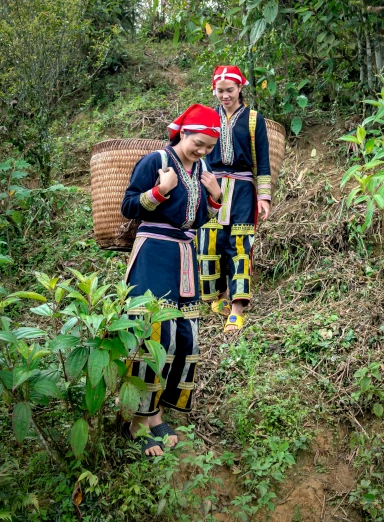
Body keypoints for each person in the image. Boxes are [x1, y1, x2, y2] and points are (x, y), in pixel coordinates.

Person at [120, 104, 222, 457]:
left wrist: (215, 198)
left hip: (184, 258)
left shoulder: (202, 169)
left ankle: (156, 412)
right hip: (153, 255)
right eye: (198, 143)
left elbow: (196, 221)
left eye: (209, 147)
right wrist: (160, 190)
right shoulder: (155, 161)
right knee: (151, 334)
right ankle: (136, 420)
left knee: (180, 336)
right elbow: (128, 206)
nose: (203, 151)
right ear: (183, 133)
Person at [196, 65, 271, 333]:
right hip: (211, 184)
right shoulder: (207, 118)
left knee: (240, 245)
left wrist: (264, 197)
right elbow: (196, 152)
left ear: (240, 89)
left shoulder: (253, 119)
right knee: (210, 242)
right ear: (213, 90)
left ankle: (238, 309)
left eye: (230, 90)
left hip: (241, 190)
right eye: (220, 91)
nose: (225, 96)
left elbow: (262, 160)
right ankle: (218, 297)